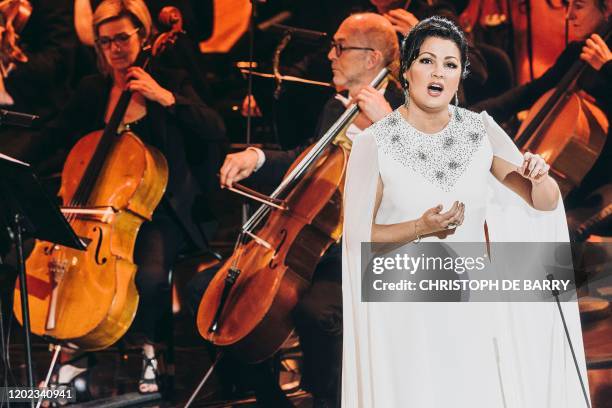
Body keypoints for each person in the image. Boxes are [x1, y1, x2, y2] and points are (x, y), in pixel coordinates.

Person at [342, 16, 589, 407]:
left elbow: (543, 202)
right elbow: (359, 236)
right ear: (405, 71)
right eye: (427, 61)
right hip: (404, 308)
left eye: (451, 64)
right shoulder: (374, 142)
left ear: (460, 77)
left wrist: (540, 176)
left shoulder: (478, 131)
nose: (438, 72)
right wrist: (420, 227)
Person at [188, 12, 403, 408]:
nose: (330, 55)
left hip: (362, 252)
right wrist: (256, 157)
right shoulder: (334, 107)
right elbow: (305, 159)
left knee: (315, 313)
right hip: (305, 245)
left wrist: (388, 125)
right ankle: (269, 398)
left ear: (372, 58)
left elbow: (423, 182)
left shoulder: (406, 109)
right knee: (210, 292)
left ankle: (330, 401)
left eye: (340, 46)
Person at [43, 0, 226, 398]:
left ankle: (149, 349)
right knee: (70, 273)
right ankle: (77, 353)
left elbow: (214, 129)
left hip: (159, 210)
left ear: (143, 36)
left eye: (122, 38)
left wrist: (165, 97)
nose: (115, 49)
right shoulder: (94, 89)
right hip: (99, 211)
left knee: (151, 277)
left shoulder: (171, 78)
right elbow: (55, 136)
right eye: (105, 41)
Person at [471, 0, 611, 206]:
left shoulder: (604, 59)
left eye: (578, 7)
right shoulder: (578, 52)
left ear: (607, 10)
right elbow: (531, 92)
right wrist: (472, 115)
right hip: (576, 173)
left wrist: (607, 67)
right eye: (568, 6)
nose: (569, 16)